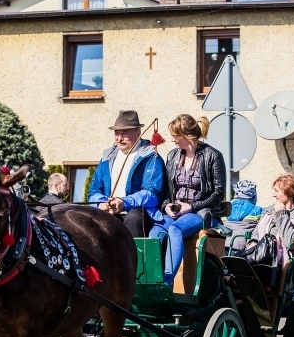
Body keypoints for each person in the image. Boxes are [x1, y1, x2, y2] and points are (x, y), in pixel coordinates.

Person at [149, 113, 225, 287]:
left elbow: (218, 193)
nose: (173, 140)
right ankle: (152, 281)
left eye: (176, 136)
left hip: (200, 212)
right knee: (155, 232)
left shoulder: (213, 156)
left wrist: (191, 206)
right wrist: (166, 205)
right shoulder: (173, 156)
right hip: (175, 210)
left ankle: (167, 282)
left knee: (175, 230)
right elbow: (166, 189)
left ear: (188, 136)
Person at [88, 110, 166, 237]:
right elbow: (93, 191)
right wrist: (101, 204)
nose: (119, 138)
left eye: (124, 133)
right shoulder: (106, 157)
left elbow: (152, 194)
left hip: (140, 212)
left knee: (133, 218)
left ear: (138, 133)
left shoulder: (151, 157)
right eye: (116, 133)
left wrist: (124, 202)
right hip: (111, 212)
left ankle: (136, 257)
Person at [250, 173, 294, 261]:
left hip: (288, 261)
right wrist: (252, 244)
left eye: (277, 191)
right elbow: (256, 234)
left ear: (289, 193)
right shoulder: (269, 211)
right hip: (262, 256)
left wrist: (281, 214)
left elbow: (289, 241)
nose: (273, 195)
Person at [225, 179, 263, 251]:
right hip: (244, 249)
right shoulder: (258, 210)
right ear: (254, 194)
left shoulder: (225, 207)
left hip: (223, 245)